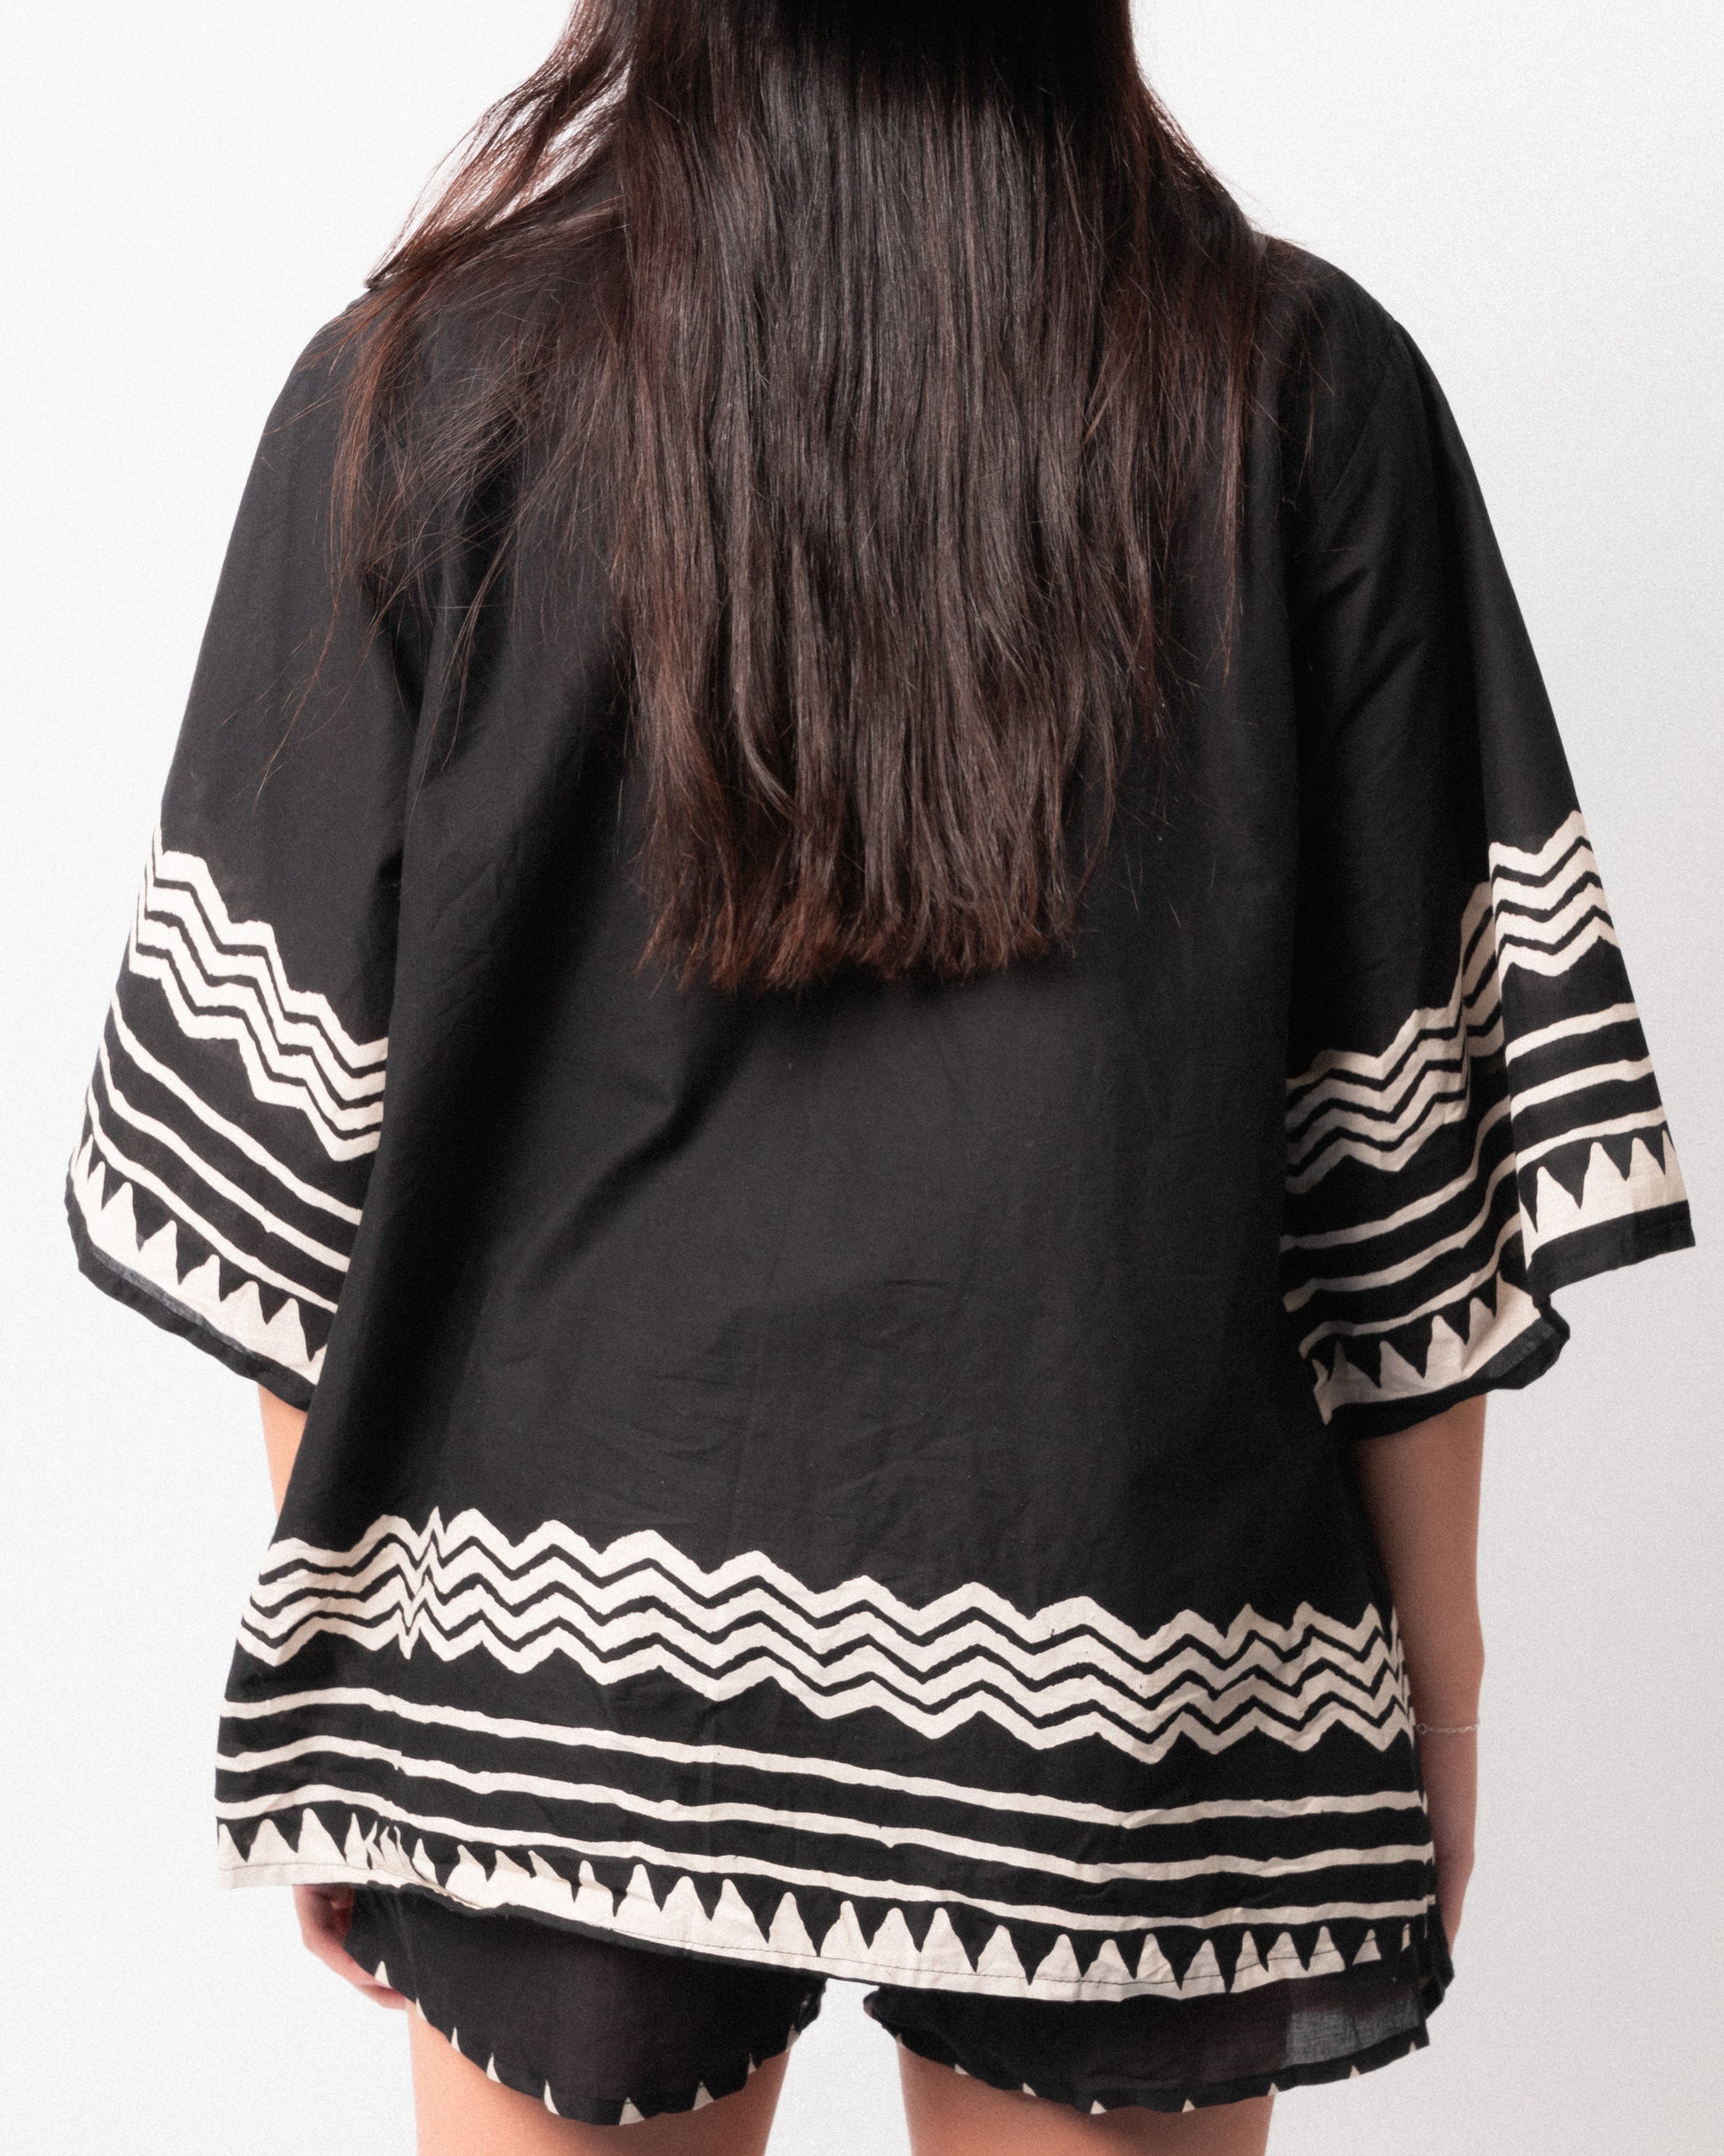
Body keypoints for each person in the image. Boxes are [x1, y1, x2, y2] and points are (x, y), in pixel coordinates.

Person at [67, 4, 1693, 2151]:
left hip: (549, 1652)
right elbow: (1397, 1168)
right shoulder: (1301, 388)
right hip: (1123, 1639)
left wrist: (360, 1659)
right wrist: (1434, 1681)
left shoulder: (419, 388)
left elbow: (289, 1159)